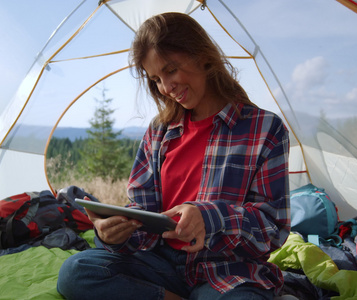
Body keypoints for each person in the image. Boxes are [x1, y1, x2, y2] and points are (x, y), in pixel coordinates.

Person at [57, 12, 290, 300]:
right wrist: (113, 235)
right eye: (155, 79)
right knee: (76, 272)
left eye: (170, 70)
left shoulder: (265, 129)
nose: (166, 88)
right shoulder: (159, 131)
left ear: (202, 56)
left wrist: (210, 217)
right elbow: (142, 214)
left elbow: (273, 230)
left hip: (228, 272)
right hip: (162, 265)